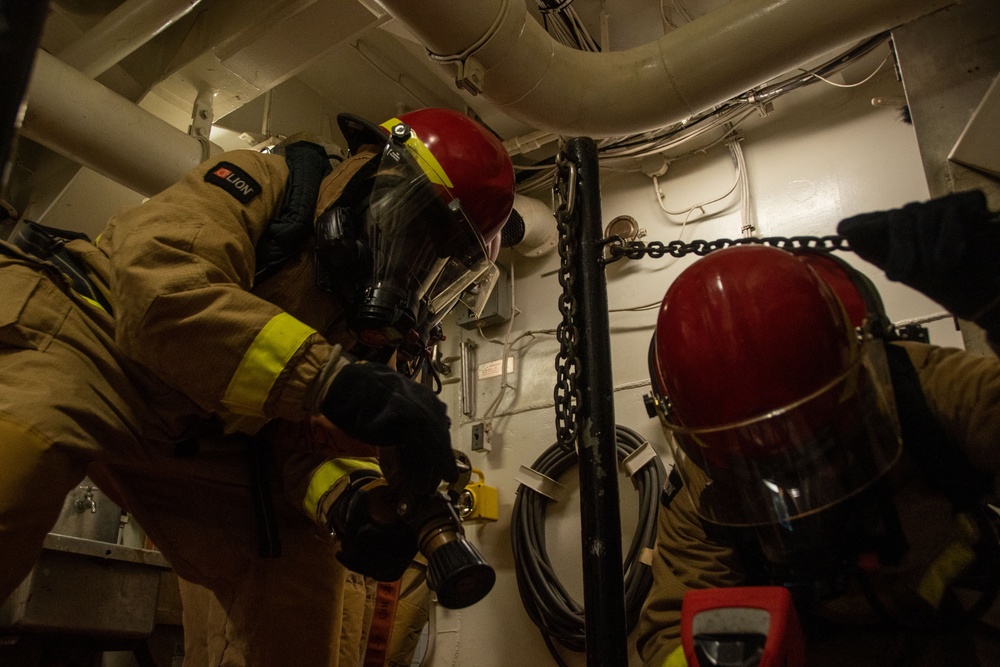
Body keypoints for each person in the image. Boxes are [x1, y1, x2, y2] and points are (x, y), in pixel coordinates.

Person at [0, 107, 514, 665]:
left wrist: (354, 502)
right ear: (377, 179)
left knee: (298, 584)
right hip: (93, 340)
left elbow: (296, 442)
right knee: (23, 458)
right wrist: (336, 381)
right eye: (421, 235)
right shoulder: (265, 183)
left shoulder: (369, 337)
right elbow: (161, 297)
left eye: (438, 262)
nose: (416, 268)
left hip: (200, 434)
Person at [636, 189, 1000, 667]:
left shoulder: (920, 390)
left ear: (854, 378)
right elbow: (671, 629)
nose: (793, 470)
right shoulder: (706, 495)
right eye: (758, 462)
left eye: (816, 443)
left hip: (970, 620)